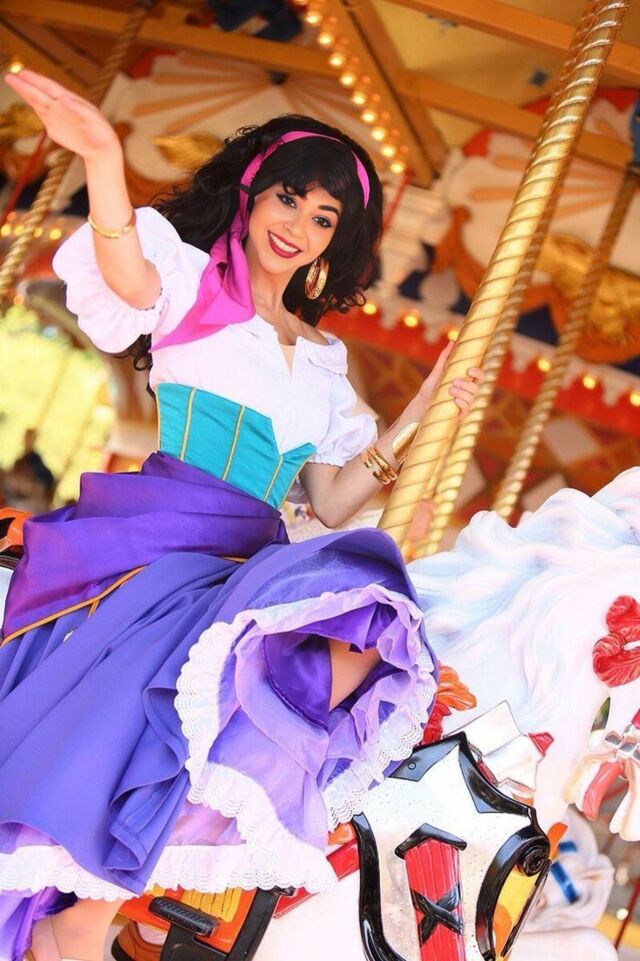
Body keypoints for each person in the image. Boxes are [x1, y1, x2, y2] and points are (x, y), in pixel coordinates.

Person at [0, 68, 483, 961]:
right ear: (254, 193)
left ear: (336, 242)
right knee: (194, 675)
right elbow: (124, 268)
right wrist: (102, 156)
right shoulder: (193, 289)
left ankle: (123, 898)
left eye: (323, 218)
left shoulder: (324, 361)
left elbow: (330, 498)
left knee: (357, 639)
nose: (297, 226)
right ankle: (86, 911)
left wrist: (422, 413)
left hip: (253, 557)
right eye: (288, 198)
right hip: (166, 534)